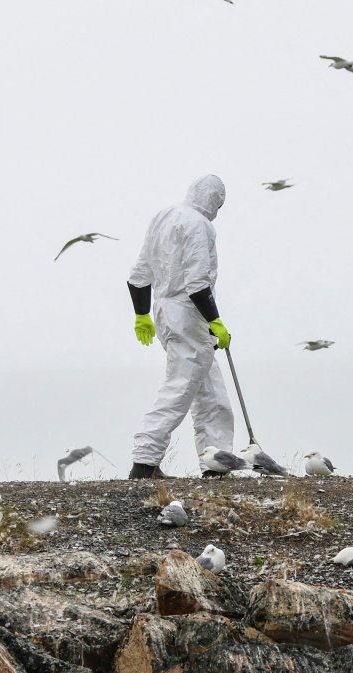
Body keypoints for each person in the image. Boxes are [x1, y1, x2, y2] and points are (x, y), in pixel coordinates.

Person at [125, 175, 235, 479]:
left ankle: (218, 463)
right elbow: (197, 283)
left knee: (212, 393)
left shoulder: (163, 217)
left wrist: (142, 313)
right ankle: (144, 462)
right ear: (215, 200)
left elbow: (139, 274)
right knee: (180, 386)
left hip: (165, 312)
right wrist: (215, 320)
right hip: (188, 315)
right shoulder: (200, 225)